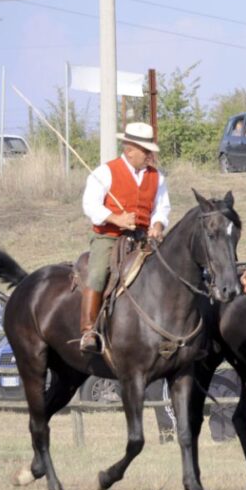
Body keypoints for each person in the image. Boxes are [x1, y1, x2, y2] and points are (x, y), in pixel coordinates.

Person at [79, 122, 171, 353]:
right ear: (130, 149)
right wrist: (116, 218)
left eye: (150, 150)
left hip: (141, 238)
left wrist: (158, 225)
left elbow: (162, 207)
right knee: (99, 273)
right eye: (145, 150)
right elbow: (90, 205)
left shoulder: (156, 177)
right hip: (109, 237)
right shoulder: (105, 172)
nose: (150, 155)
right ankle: (89, 330)